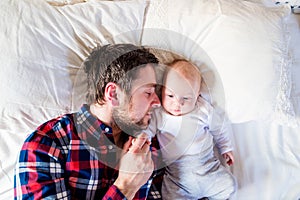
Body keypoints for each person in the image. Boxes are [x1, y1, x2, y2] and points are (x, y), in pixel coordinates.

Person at [14, 44, 163, 200]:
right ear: (114, 94)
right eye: (148, 92)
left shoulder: (148, 146)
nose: (157, 102)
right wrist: (126, 186)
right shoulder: (45, 146)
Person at [145, 59, 236, 200]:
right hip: (178, 176)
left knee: (229, 186)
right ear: (162, 90)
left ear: (197, 95)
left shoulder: (202, 109)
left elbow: (219, 128)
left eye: (186, 98)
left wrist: (225, 147)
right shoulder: (159, 114)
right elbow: (147, 130)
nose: (177, 103)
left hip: (207, 167)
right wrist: (142, 137)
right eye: (170, 96)